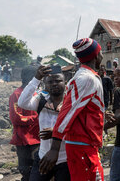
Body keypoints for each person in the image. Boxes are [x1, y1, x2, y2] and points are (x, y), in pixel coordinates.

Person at [39, 38, 105, 180]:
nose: (102, 55)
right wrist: (55, 149)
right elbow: (67, 112)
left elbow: (80, 112)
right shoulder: (87, 79)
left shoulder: (84, 77)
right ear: (95, 55)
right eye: (100, 52)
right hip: (82, 146)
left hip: (85, 144)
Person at [18, 65, 70, 181]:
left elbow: (77, 128)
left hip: (65, 160)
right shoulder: (41, 100)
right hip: (42, 156)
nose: (54, 84)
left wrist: (55, 133)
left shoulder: (71, 102)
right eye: (50, 82)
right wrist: (36, 78)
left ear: (65, 82)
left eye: (58, 81)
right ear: (45, 84)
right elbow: (22, 102)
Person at [9, 65, 40, 181]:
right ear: (30, 78)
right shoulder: (16, 94)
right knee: (26, 170)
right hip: (23, 139)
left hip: (37, 138)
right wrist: (36, 118)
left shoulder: (37, 94)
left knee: (38, 169)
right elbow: (16, 118)